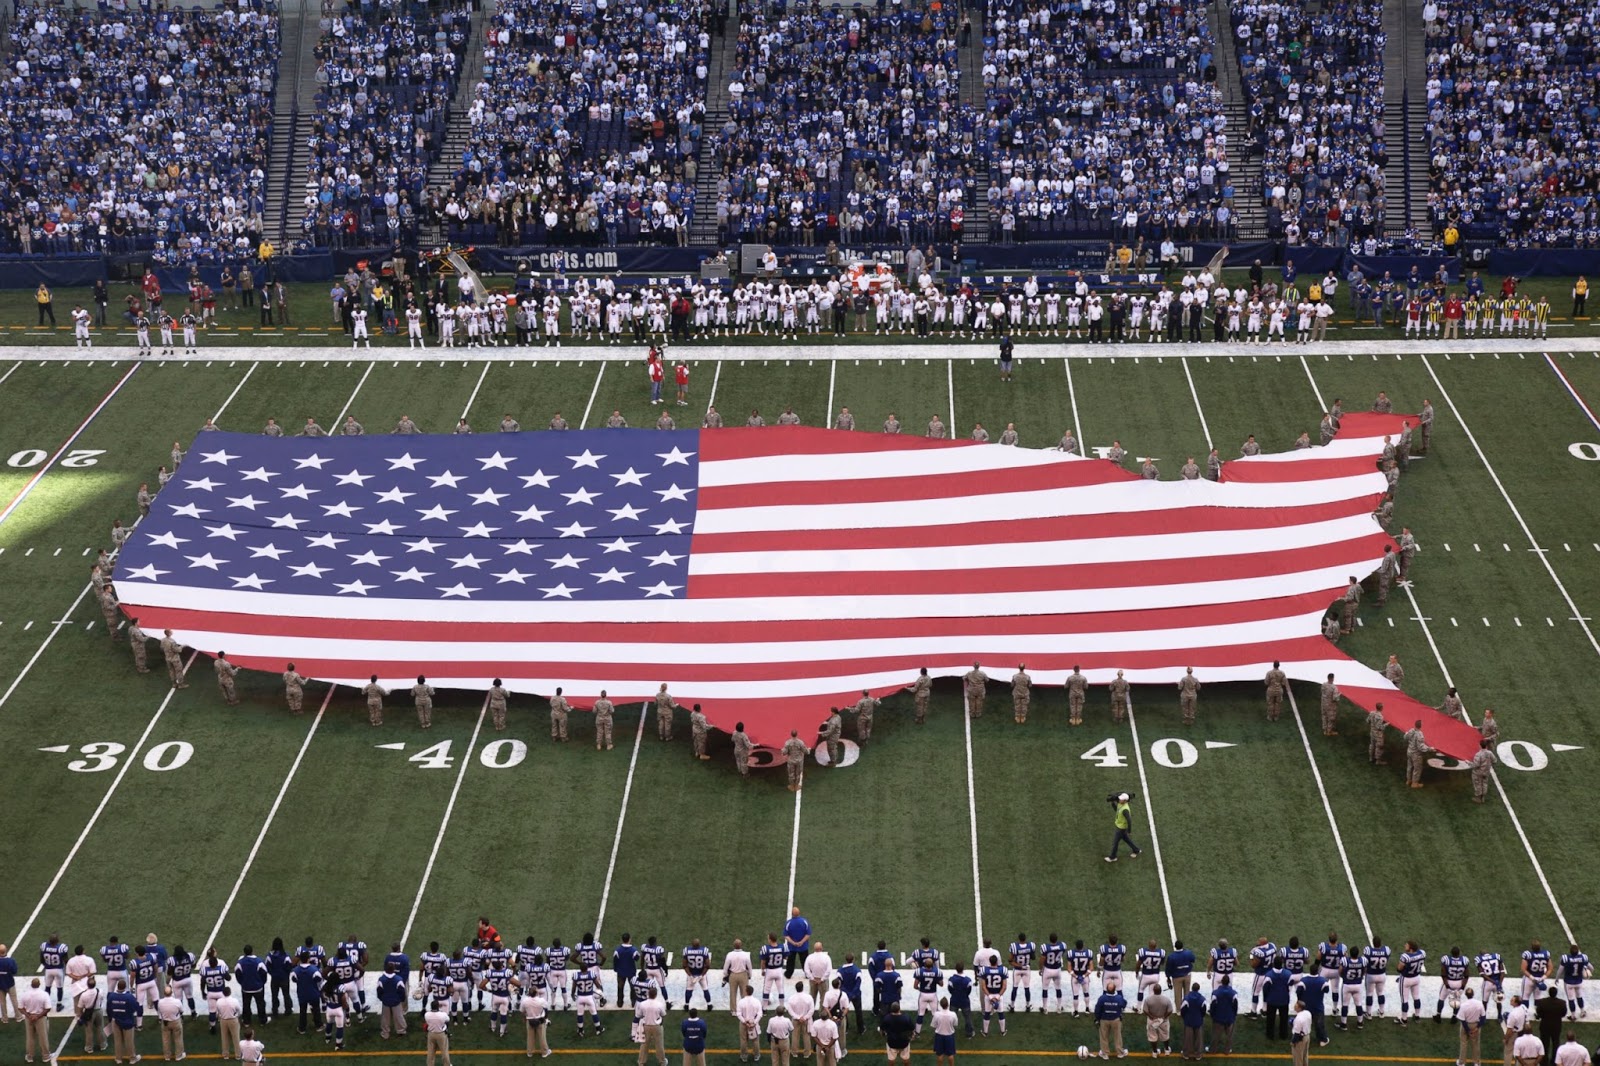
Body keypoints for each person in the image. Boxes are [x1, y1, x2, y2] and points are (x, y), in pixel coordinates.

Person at [107, 979, 140, 1065]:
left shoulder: (111, 996)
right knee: (129, 1041)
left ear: (117, 986)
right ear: (125, 987)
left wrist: (111, 1018)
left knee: (117, 1041)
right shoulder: (129, 997)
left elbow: (108, 1009)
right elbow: (135, 1008)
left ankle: (118, 1059)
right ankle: (132, 1058)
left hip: (116, 1021)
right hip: (128, 1021)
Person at [1095, 979, 1128, 1059]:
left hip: (1104, 1019)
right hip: (1116, 1020)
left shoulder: (1102, 998)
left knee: (1104, 1037)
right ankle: (1120, 1052)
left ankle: (1105, 1053)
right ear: (1114, 989)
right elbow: (1124, 1004)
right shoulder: (1119, 998)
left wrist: (1097, 1019)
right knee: (1117, 1036)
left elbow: (1097, 1010)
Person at [21, 976, 51, 1063]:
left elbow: (20, 1008)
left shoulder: (25, 994)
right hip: (40, 1018)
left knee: (30, 1037)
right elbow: (48, 1008)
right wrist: (37, 1016)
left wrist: (28, 1015)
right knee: (43, 1037)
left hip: (29, 1018)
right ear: (39, 985)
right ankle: (45, 1056)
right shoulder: (44, 994)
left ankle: (30, 1056)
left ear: (31, 985)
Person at [638, 986, 668, 1066]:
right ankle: (662, 1062)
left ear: (648, 994)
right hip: (657, 1026)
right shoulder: (659, 1004)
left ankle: (641, 1062)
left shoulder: (642, 1004)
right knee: (659, 1045)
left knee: (644, 1045)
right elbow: (663, 1014)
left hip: (646, 1026)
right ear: (655, 995)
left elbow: (639, 1015)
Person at [1107, 792, 1141, 862]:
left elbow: (1129, 820)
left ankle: (1113, 857)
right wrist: (1113, 803)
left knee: (1115, 843)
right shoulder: (1120, 804)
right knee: (1126, 839)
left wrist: (1129, 831)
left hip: (1121, 828)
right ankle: (1136, 850)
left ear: (1125, 801)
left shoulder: (1125, 810)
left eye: (1121, 799)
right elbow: (1117, 811)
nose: (1119, 800)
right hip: (1119, 826)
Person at [1536, 988, 1566, 1063]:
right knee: (1555, 1043)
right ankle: (1554, 1061)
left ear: (1549, 993)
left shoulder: (1542, 1002)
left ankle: (1544, 1061)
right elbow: (1563, 1013)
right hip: (1556, 1026)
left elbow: (1538, 1013)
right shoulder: (1562, 1003)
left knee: (1544, 1044)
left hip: (1545, 1025)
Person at [1145, 982, 1175, 1055]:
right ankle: (1167, 1050)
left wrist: (1151, 1017)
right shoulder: (1166, 1000)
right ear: (1161, 991)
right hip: (1163, 1021)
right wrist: (1163, 1017)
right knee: (1165, 1035)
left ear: (1153, 991)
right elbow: (1170, 1010)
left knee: (1152, 1036)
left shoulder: (1148, 999)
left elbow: (1145, 1010)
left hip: (1152, 1020)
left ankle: (1155, 1052)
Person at [1212, 977, 1239, 1053]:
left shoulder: (1215, 993)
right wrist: (1234, 1015)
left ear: (1221, 982)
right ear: (1228, 982)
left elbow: (1213, 1006)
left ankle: (1213, 1050)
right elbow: (1235, 1006)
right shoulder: (1234, 994)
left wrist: (1213, 1015)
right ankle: (1227, 1050)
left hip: (1218, 1017)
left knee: (1216, 1035)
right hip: (1230, 1018)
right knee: (1229, 1036)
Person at [1460, 988, 1487, 1066]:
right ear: (1473, 994)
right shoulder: (1479, 1004)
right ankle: (1476, 1062)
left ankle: (1462, 1062)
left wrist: (1468, 1030)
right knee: (1475, 1044)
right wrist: (1477, 1028)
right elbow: (1483, 1017)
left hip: (1466, 1025)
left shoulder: (1463, 1005)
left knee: (1463, 1044)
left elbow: (1462, 1020)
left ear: (1466, 995)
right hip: (1475, 1024)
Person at [1180, 983, 1207, 1060]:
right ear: (1198, 989)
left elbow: (1183, 1011)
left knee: (1188, 1038)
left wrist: (1185, 1017)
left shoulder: (1186, 998)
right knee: (1198, 1039)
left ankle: (1186, 1054)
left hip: (1188, 1021)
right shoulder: (1202, 999)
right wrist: (1200, 1017)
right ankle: (1198, 1054)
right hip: (1198, 1021)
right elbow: (1203, 1011)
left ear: (1192, 988)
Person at [931, 997, 959, 1066]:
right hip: (949, 1036)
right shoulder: (953, 1014)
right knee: (950, 1054)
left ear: (940, 1005)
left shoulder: (937, 1014)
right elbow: (955, 1024)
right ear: (948, 1004)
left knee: (940, 1054)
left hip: (939, 1036)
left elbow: (933, 1025)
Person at [426, 998, 453, 1066]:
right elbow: (448, 1020)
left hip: (431, 1034)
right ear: (438, 1006)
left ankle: (430, 1064)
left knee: (431, 1052)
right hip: (441, 1034)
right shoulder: (442, 1015)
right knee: (444, 1051)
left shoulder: (427, 1015)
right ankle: (447, 1064)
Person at [1291, 999, 1313, 1066]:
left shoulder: (1298, 1019)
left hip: (1300, 1039)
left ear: (1299, 1008)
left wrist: (1293, 1042)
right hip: (1307, 1036)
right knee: (1304, 1055)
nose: (1294, 1006)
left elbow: (1297, 1033)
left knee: (1298, 1058)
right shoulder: (1308, 1013)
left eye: (1296, 1005)